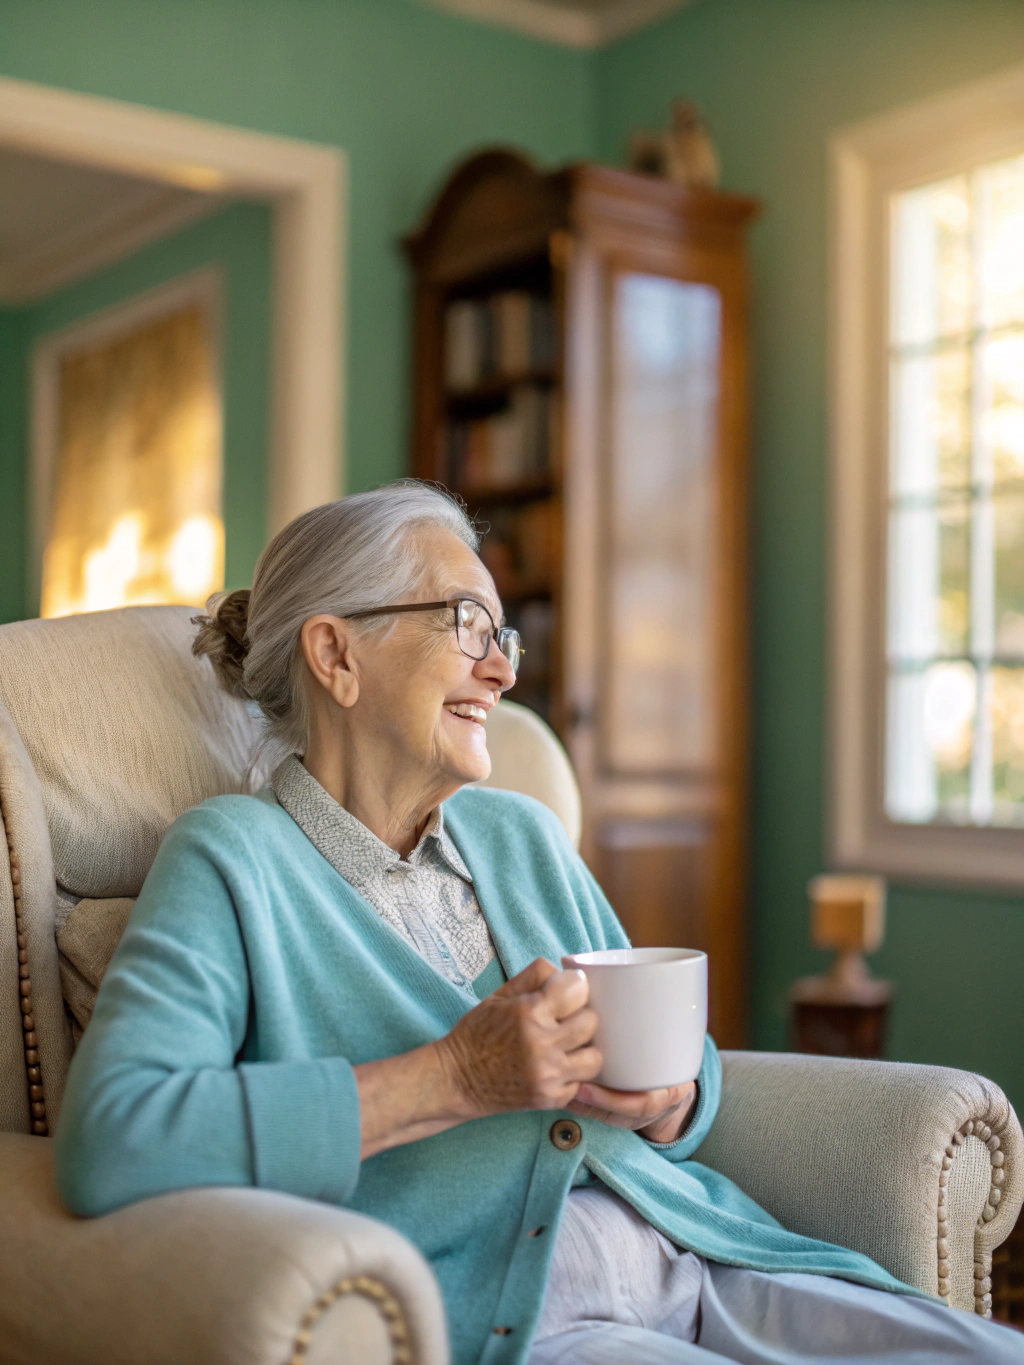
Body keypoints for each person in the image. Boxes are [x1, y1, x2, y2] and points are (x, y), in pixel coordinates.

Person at [54, 481, 1024, 1365]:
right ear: (336, 653)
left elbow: (683, 1075)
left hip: (699, 1254)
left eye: (503, 639)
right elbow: (115, 1139)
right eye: (466, 625)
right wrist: (452, 1077)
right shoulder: (232, 862)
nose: (501, 673)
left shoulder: (518, 836)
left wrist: (668, 1100)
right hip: (528, 1319)